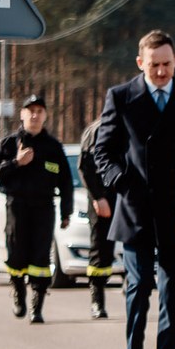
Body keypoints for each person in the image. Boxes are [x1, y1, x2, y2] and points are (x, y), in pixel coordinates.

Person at [93, 30, 175, 349]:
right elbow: (103, 151)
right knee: (139, 286)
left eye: (167, 64)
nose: (161, 71)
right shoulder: (122, 97)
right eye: (154, 65)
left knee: (173, 294)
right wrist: (122, 183)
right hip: (136, 209)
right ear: (140, 63)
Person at [0, 93, 73, 324]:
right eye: (30, 110)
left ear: (45, 116)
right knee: (16, 254)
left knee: (41, 258)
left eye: (39, 111)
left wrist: (66, 212)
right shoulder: (8, 144)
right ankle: (18, 293)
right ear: (22, 114)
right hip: (17, 206)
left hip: (44, 207)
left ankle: (37, 307)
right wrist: (15, 163)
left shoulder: (53, 147)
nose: (35, 115)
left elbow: (65, 181)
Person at [76, 110, 116, 320]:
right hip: (102, 199)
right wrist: (98, 197)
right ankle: (97, 300)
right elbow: (84, 167)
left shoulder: (130, 125)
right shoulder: (96, 129)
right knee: (101, 250)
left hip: (127, 197)